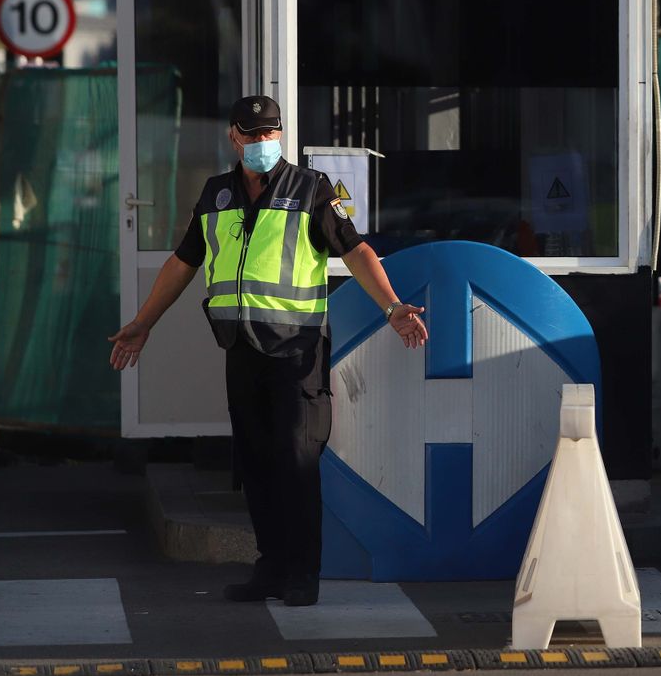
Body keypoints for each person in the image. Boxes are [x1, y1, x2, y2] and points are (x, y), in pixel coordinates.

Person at [106, 95, 427, 608]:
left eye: (270, 134)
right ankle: (271, 569)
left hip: (296, 352)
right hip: (241, 350)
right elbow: (183, 263)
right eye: (252, 135)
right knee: (255, 464)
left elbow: (357, 249)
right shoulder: (216, 195)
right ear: (233, 136)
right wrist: (143, 323)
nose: (262, 143)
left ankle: (302, 575)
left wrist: (391, 307)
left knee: (295, 464)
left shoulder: (311, 189)